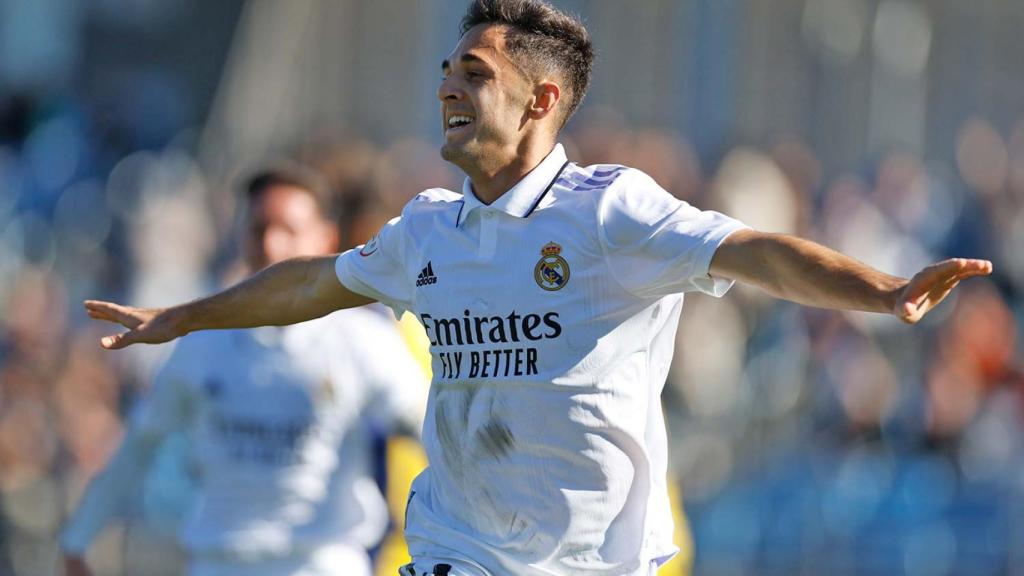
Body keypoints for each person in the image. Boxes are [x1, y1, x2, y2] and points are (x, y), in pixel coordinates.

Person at [84, 1, 993, 575]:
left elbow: (756, 251)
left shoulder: (613, 214)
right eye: (447, 69)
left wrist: (885, 293)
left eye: (473, 74)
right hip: (454, 551)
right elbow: (310, 285)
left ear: (543, 100)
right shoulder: (428, 227)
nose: (446, 86)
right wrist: (183, 318)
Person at [63, 166, 427, 576]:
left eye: (288, 229)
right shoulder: (201, 345)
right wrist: (79, 538)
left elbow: (435, 435)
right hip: (220, 564)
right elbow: (139, 446)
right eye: (258, 229)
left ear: (326, 238)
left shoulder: (365, 342)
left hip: (322, 564)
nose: (271, 245)